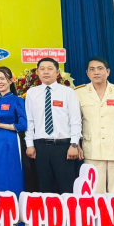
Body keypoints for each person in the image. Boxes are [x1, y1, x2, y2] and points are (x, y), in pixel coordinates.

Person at [76, 57, 114, 208]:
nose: (96, 72)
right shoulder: (79, 93)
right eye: (92, 69)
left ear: (108, 72)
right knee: (95, 193)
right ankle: (98, 222)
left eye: (100, 68)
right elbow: (75, 122)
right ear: (87, 73)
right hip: (92, 149)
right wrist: (76, 145)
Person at [25, 58, 82, 194]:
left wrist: (74, 144)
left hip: (63, 147)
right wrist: (29, 144)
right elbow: (29, 121)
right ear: (38, 72)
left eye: (50, 69)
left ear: (57, 72)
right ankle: (48, 209)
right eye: (42, 69)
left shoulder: (68, 92)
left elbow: (75, 120)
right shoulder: (32, 93)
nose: (46, 72)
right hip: (40, 147)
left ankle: (67, 209)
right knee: (44, 188)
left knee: (66, 187)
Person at [0, 67, 27, 196]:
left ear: (10, 80)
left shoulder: (17, 100)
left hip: (10, 141)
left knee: (10, 171)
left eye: (2, 79)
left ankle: (13, 201)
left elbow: (23, 125)